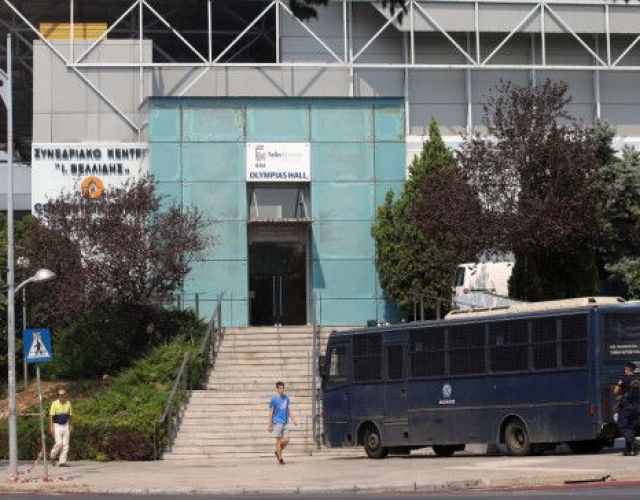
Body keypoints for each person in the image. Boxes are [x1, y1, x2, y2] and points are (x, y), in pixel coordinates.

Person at [268, 381, 297, 464]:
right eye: (280, 388)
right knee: (278, 440)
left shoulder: (286, 398)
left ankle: (277, 451)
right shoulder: (274, 399)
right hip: (277, 421)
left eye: (283, 388)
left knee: (286, 440)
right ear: (277, 389)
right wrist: (270, 424)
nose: (282, 389)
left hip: (285, 422)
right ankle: (280, 458)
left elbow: (288, 410)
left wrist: (293, 419)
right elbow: (271, 412)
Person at [615, 362, 640, 456]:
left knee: (622, 426)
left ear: (627, 368)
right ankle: (628, 450)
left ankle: (634, 443)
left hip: (627, 407)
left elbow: (616, 392)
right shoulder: (638, 378)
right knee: (631, 427)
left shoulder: (623, 378)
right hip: (637, 406)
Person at [49, 389, 73, 466]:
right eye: (60, 395)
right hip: (57, 425)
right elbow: (51, 416)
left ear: (66, 395)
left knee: (66, 444)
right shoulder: (54, 403)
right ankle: (52, 456)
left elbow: (69, 416)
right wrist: (51, 427)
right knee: (59, 443)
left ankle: (62, 462)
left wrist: (71, 425)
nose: (61, 397)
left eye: (63, 395)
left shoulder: (68, 403)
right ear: (58, 396)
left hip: (66, 425)